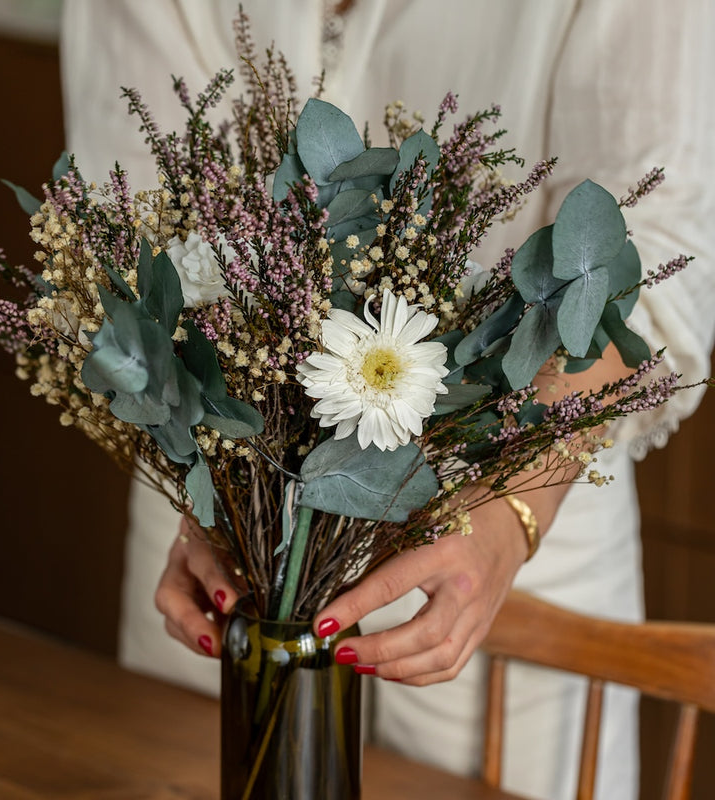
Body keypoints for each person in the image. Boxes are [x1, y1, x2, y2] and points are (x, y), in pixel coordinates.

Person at [60, 2, 715, 797]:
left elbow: (662, 243)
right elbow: (133, 219)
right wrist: (215, 486)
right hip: (230, 532)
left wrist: (511, 515)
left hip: (494, 545)